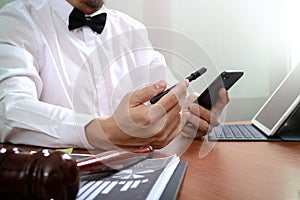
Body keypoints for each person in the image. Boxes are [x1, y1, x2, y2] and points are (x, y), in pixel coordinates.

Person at [0, 0, 229, 150]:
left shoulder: (132, 28)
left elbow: (166, 96)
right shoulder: (17, 20)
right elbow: (9, 109)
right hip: (61, 181)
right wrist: (103, 131)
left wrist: (187, 116)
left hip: (140, 170)